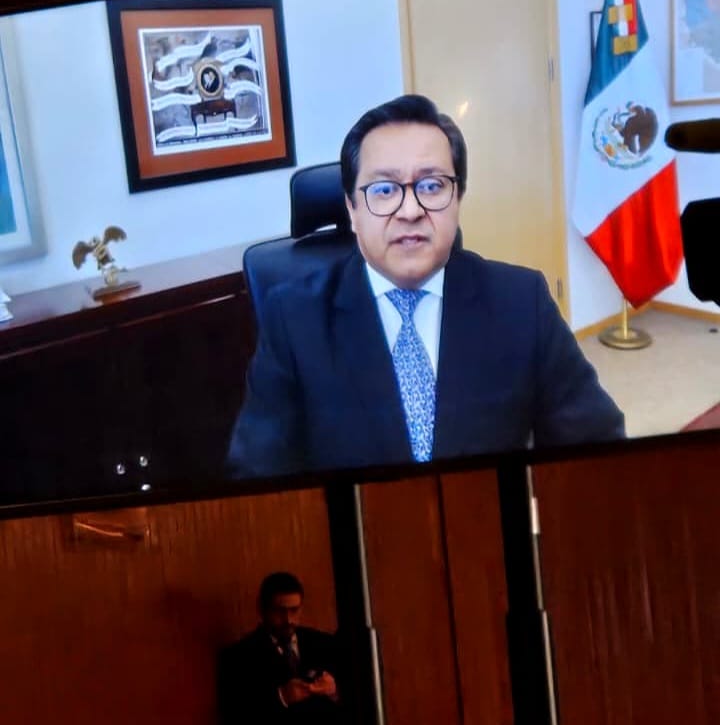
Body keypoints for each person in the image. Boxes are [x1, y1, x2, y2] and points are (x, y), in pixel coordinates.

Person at [227, 94, 625, 478]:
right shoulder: (294, 319)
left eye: (432, 186)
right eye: (384, 190)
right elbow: (259, 477)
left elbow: (597, 449)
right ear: (352, 209)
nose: (411, 210)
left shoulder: (522, 302)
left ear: (458, 198)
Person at [217, 571, 345, 725]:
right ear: (262, 609)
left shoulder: (324, 643)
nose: (288, 620)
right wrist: (281, 697)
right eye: (279, 611)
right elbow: (235, 715)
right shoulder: (238, 656)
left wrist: (334, 692)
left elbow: (357, 701)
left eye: (294, 610)